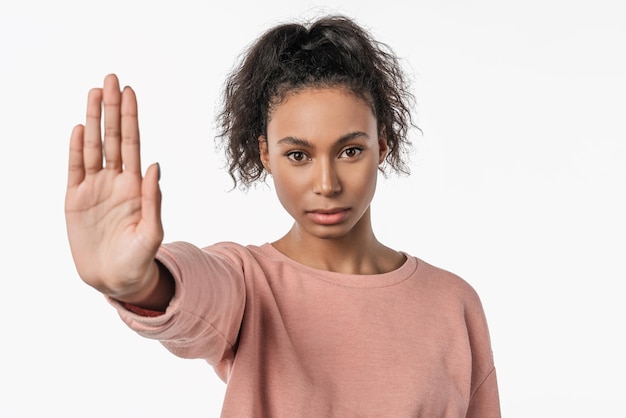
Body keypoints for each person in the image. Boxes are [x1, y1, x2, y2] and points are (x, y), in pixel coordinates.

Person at [65, 14, 501, 417]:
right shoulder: (247, 282)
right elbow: (197, 289)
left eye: (350, 151)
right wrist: (139, 283)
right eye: (298, 154)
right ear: (265, 155)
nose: (327, 184)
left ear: (382, 145)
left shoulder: (453, 303)